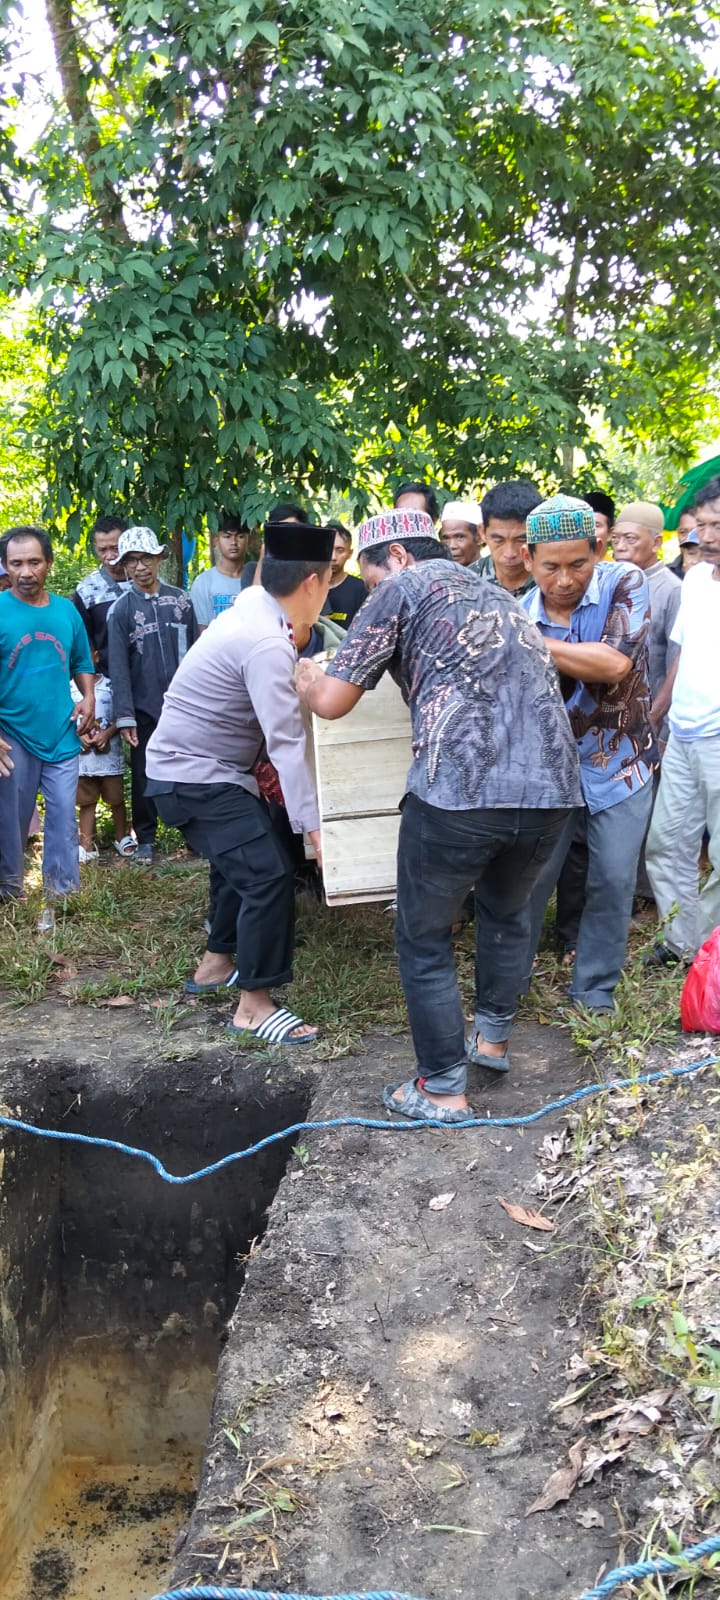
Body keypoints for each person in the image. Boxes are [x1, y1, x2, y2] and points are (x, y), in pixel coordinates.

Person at [296, 507, 581, 1124]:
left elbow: (333, 702)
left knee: (424, 936)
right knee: (507, 915)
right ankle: (492, 1042)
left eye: (368, 581)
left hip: (460, 789)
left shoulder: (401, 586)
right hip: (555, 791)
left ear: (394, 557)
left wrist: (306, 672)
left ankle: (442, 1091)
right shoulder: (499, 595)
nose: (372, 592)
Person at [145, 522, 336, 1044]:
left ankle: (215, 965)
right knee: (269, 874)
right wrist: (314, 828)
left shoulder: (253, 607)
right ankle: (254, 1005)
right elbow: (286, 743)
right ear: (314, 583)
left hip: (192, 774)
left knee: (241, 862)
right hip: (194, 779)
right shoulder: (264, 641)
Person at [520, 495, 657, 1011]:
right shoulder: (520, 610)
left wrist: (524, 641)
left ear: (598, 549)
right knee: (529, 882)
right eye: (549, 566)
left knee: (613, 877)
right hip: (548, 772)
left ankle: (594, 989)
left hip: (622, 761)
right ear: (528, 559)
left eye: (578, 563)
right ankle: (508, 987)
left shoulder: (626, 583)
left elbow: (614, 664)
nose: (563, 580)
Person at [645, 474, 720, 964]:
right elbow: (681, 653)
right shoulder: (694, 580)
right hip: (685, 734)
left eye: (718, 526)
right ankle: (681, 942)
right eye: (704, 525)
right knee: (666, 843)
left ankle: (711, 950)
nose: (708, 537)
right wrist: (657, 714)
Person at [0, 526, 95, 914]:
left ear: (48, 564)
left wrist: (88, 696)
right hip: (11, 735)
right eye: (16, 563)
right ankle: (9, 891)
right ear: (5, 567)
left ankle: (63, 892)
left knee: (62, 816)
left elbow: (81, 662)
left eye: (34, 562)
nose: (25, 572)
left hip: (60, 734)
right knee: (11, 820)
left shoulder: (66, 611)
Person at [107, 526, 199, 865]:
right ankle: (145, 837)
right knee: (145, 773)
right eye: (131, 561)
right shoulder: (121, 609)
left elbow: (195, 654)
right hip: (144, 710)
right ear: (124, 566)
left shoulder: (181, 601)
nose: (140, 567)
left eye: (146, 558)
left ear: (159, 558)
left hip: (184, 706)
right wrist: (124, 715)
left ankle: (195, 835)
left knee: (189, 770)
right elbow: (118, 667)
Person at [72, 661, 129, 861]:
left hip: (110, 758)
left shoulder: (111, 686)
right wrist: (78, 737)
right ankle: (86, 844)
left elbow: (122, 714)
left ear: (96, 656)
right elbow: (65, 718)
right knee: (86, 801)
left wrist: (107, 734)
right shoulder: (68, 688)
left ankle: (122, 837)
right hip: (83, 761)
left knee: (116, 799)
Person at [71, 513, 128, 675]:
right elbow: (83, 642)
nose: (109, 556)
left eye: (115, 548)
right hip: (108, 678)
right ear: (95, 548)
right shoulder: (86, 590)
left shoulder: (147, 580)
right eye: (103, 550)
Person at [472, 480, 542, 597]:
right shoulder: (465, 583)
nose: (510, 553)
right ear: (482, 532)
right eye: (499, 540)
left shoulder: (553, 581)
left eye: (521, 540)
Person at [190, 513, 249, 628]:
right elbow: (201, 631)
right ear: (216, 541)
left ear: (248, 540)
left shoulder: (258, 578)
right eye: (227, 536)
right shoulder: (203, 582)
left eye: (240, 536)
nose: (233, 542)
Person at [240, 502, 310, 590]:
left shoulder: (310, 571)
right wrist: (264, 553)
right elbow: (254, 600)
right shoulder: (252, 570)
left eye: (291, 529)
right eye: (279, 530)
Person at [321, 523, 367, 629]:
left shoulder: (361, 589)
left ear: (350, 553)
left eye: (340, 550)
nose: (333, 557)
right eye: (328, 549)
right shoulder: (307, 587)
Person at [439, 501, 484, 567]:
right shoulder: (437, 574)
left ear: (479, 537)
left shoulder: (498, 574)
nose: (452, 546)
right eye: (446, 538)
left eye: (459, 537)